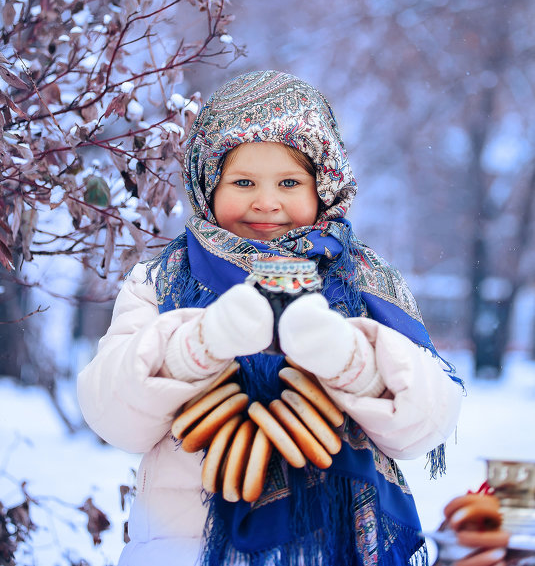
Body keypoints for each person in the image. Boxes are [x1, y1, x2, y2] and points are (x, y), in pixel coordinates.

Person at [78, 70, 463, 566]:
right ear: (207, 185)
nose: (266, 201)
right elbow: (113, 415)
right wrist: (201, 342)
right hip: (187, 551)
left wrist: (349, 359)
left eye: (289, 182)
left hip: (337, 550)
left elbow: (426, 420)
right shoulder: (160, 282)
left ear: (324, 186)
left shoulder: (364, 282)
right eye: (242, 182)